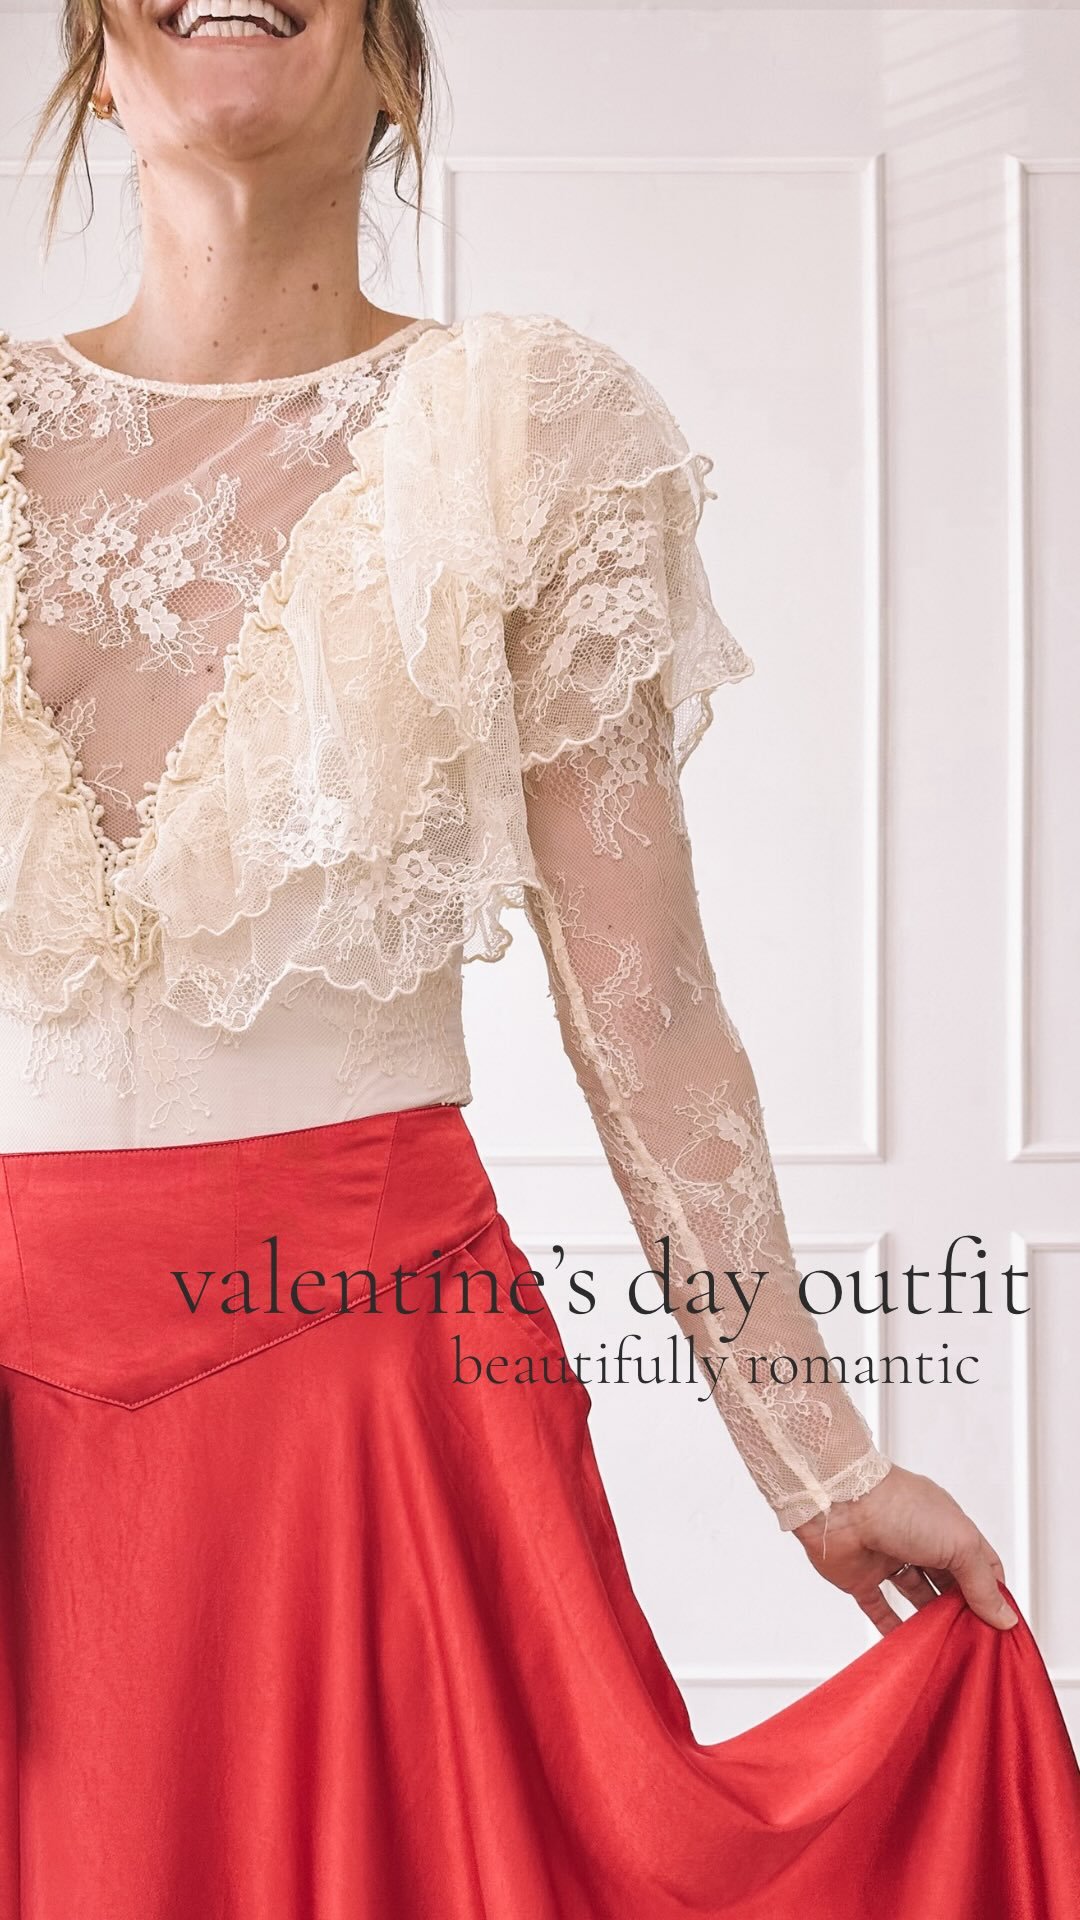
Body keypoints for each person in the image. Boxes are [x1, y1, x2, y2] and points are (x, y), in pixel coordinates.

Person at [0, 0, 1076, 1912]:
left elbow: (647, 1007)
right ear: (87, 44)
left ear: (395, 51)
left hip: (373, 1408)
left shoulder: (525, 428)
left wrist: (820, 1461)